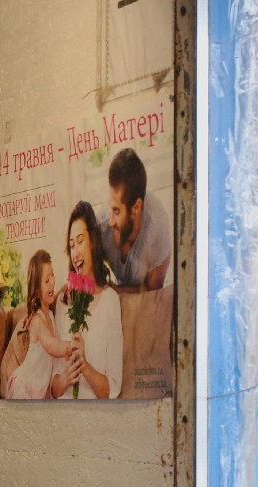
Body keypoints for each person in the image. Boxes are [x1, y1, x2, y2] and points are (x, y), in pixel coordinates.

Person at [53, 201, 124, 400]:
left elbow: (111, 390)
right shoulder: (63, 302)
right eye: (71, 245)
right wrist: (66, 378)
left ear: (93, 242)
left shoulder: (111, 301)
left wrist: (83, 365)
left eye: (80, 241)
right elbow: (54, 388)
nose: (75, 252)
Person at [100, 148, 171, 291]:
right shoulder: (101, 224)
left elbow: (152, 291)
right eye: (110, 208)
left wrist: (116, 291)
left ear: (136, 207)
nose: (111, 221)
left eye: (117, 211)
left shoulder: (158, 226)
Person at [3, 250, 71, 399]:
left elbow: (49, 366)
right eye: (47, 280)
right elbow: (51, 346)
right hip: (24, 388)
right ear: (37, 290)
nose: (52, 282)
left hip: (39, 391)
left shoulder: (51, 316)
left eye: (52, 275)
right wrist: (71, 346)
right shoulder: (37, 319)